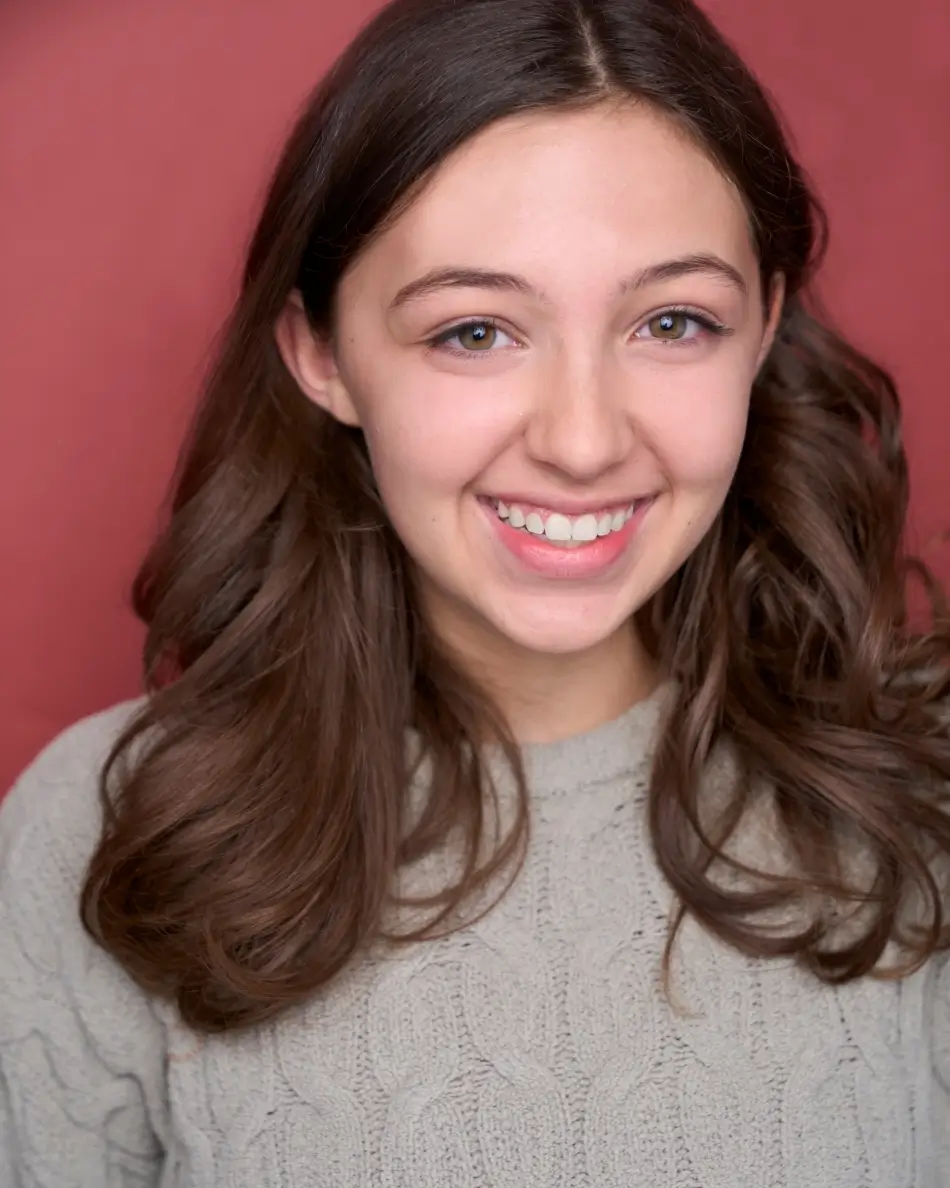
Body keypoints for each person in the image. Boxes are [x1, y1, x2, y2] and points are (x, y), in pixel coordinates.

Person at [1, 0, 948, 1183]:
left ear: (759, 326)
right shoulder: (101, 834)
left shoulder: (922, 792)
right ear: (322, 354)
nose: (583, 439)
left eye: (670, 321)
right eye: (473, 333)